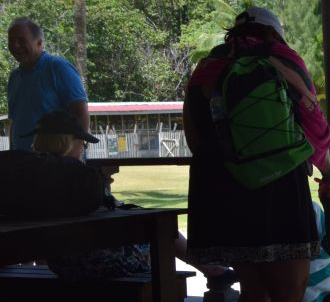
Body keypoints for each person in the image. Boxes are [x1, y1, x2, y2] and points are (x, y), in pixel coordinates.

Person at [183, 7, 330, 302]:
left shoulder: (208, 67)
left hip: (223, 191)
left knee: (253, 293)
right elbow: (313, 122)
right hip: (277, 188)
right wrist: (325, 168)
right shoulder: (281, 59)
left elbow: (194, 135)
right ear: (274, 32)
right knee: (288, 295)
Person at [26, 111, 236, 290]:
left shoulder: (27, 177)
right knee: (160, 235)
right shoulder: (78, 177)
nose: (83, 150)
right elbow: (112, 214)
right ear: (68, 143)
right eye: (81, 144)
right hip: (91, 262)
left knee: (156, 234)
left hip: (60, 263)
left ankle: (209, 269)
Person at [7, 17, 88, 152]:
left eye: (22, 40)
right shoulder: (14, 77)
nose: (15, 45)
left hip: (56, 161)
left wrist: (75, 153)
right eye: (11, 41)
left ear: (39, 42)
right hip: (23, 162)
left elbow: (80, 111)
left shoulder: (58, 68)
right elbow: (15, 121)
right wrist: (12, 153)